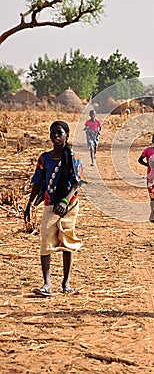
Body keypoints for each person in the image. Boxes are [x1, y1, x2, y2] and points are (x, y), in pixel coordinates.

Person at [24, 121, 83, 297]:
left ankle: (66, 283)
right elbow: (38, 181)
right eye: (52, 133)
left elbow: (77, 182)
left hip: (70, 204)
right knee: (46, 241)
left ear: (67, 135)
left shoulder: (73, 158)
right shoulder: (45, 158)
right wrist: (30, 204)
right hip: (50, 203)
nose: (55, 136)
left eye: (59, 133)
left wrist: (65, 201)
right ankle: (47, 284)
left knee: (66, 241)